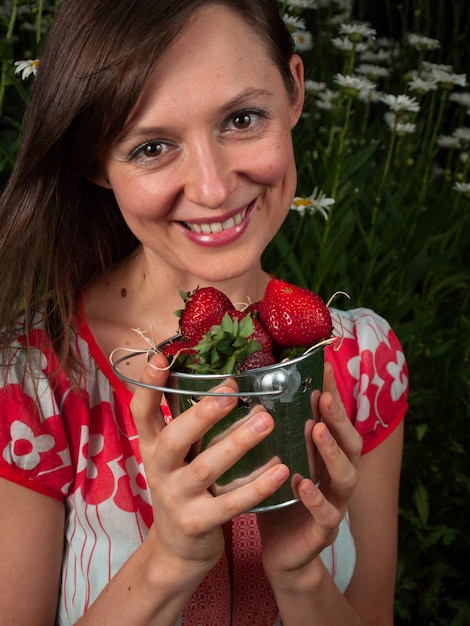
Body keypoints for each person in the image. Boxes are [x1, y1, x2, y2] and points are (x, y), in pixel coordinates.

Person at [0, 1, 408, 624]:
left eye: (242, 118)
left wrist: (300, 577)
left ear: (294, 90)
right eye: (153, 146)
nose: (214, 188)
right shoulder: (35, 383)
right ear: (94, 160)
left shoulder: (364, 360)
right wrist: (167, 560)